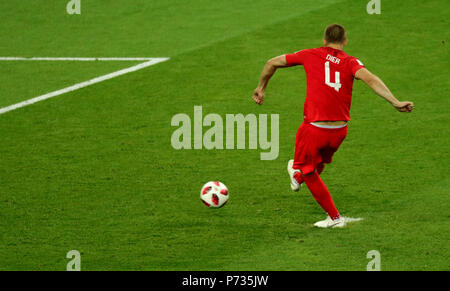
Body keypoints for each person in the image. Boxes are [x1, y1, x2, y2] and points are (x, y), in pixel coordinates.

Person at [252, 24, 414, 228]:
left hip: (314, 128)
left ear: (324, 40)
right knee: (317, 163)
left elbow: (271, 63)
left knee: (308, 169)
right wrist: (395, 101)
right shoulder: (351, 62)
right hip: (339, 131)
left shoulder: (310, 54)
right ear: (345, 41)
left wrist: (261, 88)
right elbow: (371, 79)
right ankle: (298, 176)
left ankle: (334, 218)